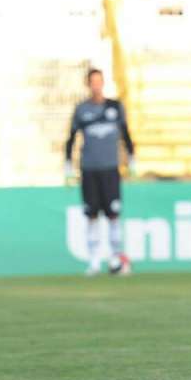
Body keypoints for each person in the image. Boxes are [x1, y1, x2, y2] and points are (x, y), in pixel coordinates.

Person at [64, 68, 135, 276]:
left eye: (99, 81)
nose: (96, 85)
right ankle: (94, 261)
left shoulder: (115, 107)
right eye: (92, 82)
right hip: (89, 169)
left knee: (113, 214)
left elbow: (126, 135)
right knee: (92, 215)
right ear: (88, 84)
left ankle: (115, 258)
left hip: (110, 169)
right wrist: (68, 166)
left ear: (103, 83)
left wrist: (131, 159)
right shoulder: (81, 109)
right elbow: (70, 139)